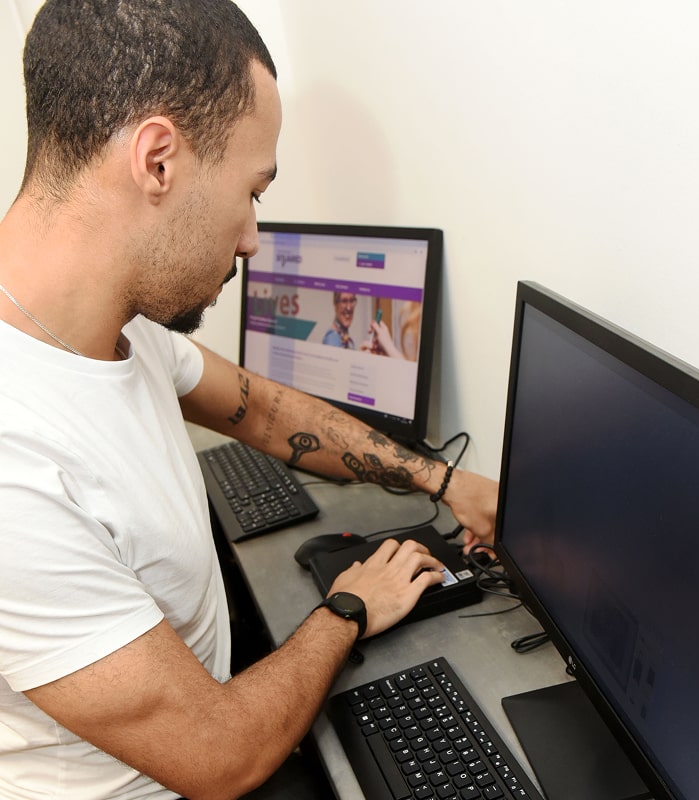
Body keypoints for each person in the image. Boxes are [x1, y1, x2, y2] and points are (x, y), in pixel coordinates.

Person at [0, 1, 496, 798]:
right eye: (252, 190)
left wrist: (445, 481)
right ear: (157, 160)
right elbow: (219, 756)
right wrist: (348, 609)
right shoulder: (14, 460)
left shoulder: (117, 326)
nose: (251, 238)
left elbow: (262, 410)